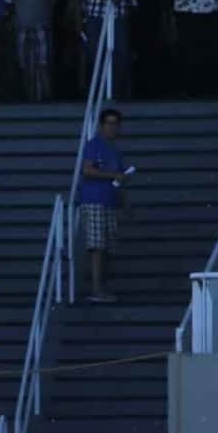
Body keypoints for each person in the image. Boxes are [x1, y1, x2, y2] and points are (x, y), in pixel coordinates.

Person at [76, 108, 131, 303]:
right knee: (97, 246)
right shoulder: (94, 145)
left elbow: (120, 179)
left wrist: (124, 203)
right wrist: (112, 175)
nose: (112, 127)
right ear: (101, 125)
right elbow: (87, 170)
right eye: (109, 123)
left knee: (106, 247)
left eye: (115, 123)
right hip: (93, 200)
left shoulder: (115, 151)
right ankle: (96, 289)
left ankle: (100, 287)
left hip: (110, 202)